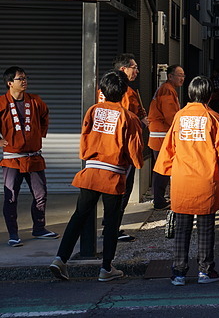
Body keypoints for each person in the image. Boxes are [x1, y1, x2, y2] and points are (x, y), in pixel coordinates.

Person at [48, 70, 143, 282]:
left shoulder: (93, 110)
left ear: (102, 90)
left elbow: (83, 141)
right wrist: (136, 163)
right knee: (111, 222)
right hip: (114, 175)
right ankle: (106, 268)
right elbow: (135, 152)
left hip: (91, 171)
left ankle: (60, 259)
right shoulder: (129, 117)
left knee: (79, 215)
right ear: (124, 92)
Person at [154, 76, 219, 286]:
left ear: (190, 93)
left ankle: (179, 272)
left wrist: (165, 175)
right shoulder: (214, 118)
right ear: (210, 95)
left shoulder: (179, 117)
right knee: (205, 227)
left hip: (182, 179)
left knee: (182, 228)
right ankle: (205, 270)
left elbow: (168, 149)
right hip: (206, 180)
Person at [1, 66, 57, 247]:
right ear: (10, 83)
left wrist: (36, 135)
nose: (24, 81)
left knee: (41, 194)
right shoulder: (1, 103)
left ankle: (39, 228)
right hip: (12, 159)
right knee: (11, 197)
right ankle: (13, 234)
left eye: (25, 78)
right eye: (20, 79)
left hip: (34, 157)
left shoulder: (35, 100)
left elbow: (44, 116)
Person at [98, 53, 147, 242]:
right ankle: (113, 228)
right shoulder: (125, 93)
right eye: (133, 67)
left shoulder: (102, 90)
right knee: (122, 190)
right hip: (121, 150)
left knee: (111, 191)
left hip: (104, 149)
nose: (137, 70)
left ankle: (109, 225)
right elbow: (127, 121)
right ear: (122, 70)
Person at [147, 64, 185, 210]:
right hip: (161, 134)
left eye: (183, 75)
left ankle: (159, 199)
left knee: (161, 167)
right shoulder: (167, 90)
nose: (182, 78)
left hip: (160, 133)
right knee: (162, 167)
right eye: (179, 75)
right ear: (170, 76)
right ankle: (159, 200)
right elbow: (171, 116)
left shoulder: (167, 89)